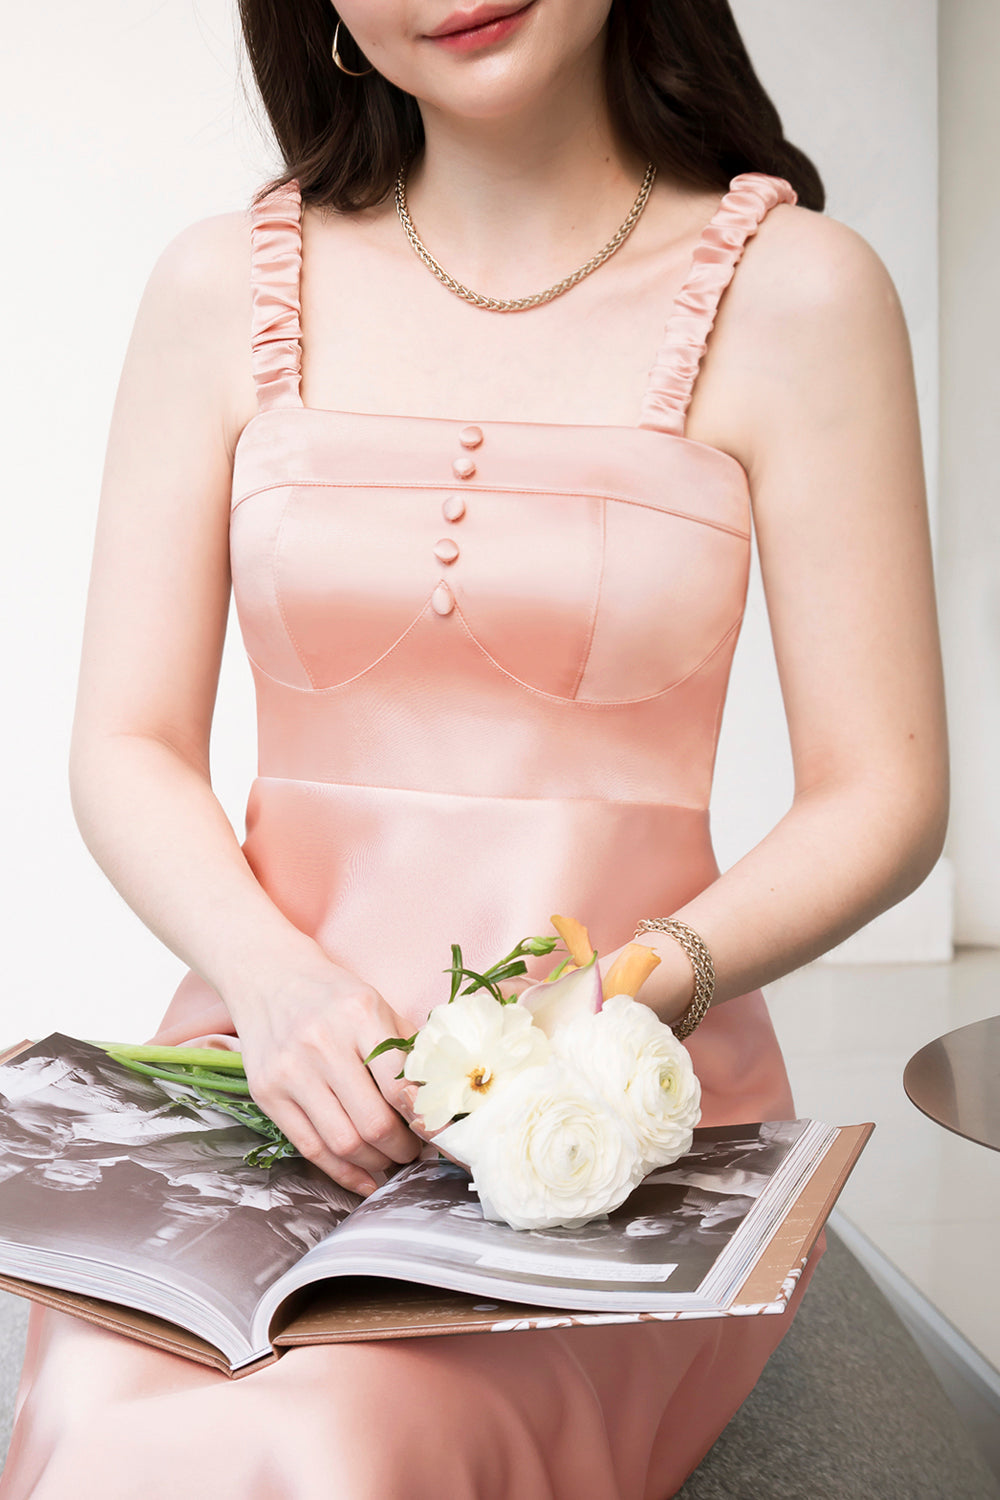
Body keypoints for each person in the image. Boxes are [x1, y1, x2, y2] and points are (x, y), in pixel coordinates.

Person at [0, 0, 948, 1495]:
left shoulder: (799, 294)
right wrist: (276, 985)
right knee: (107, 1428)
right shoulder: (219, 284)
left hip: (610, 1127)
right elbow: (126, 742)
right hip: (265, 1082)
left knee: (339, 1444)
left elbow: (883, 794)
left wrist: (623, 993)